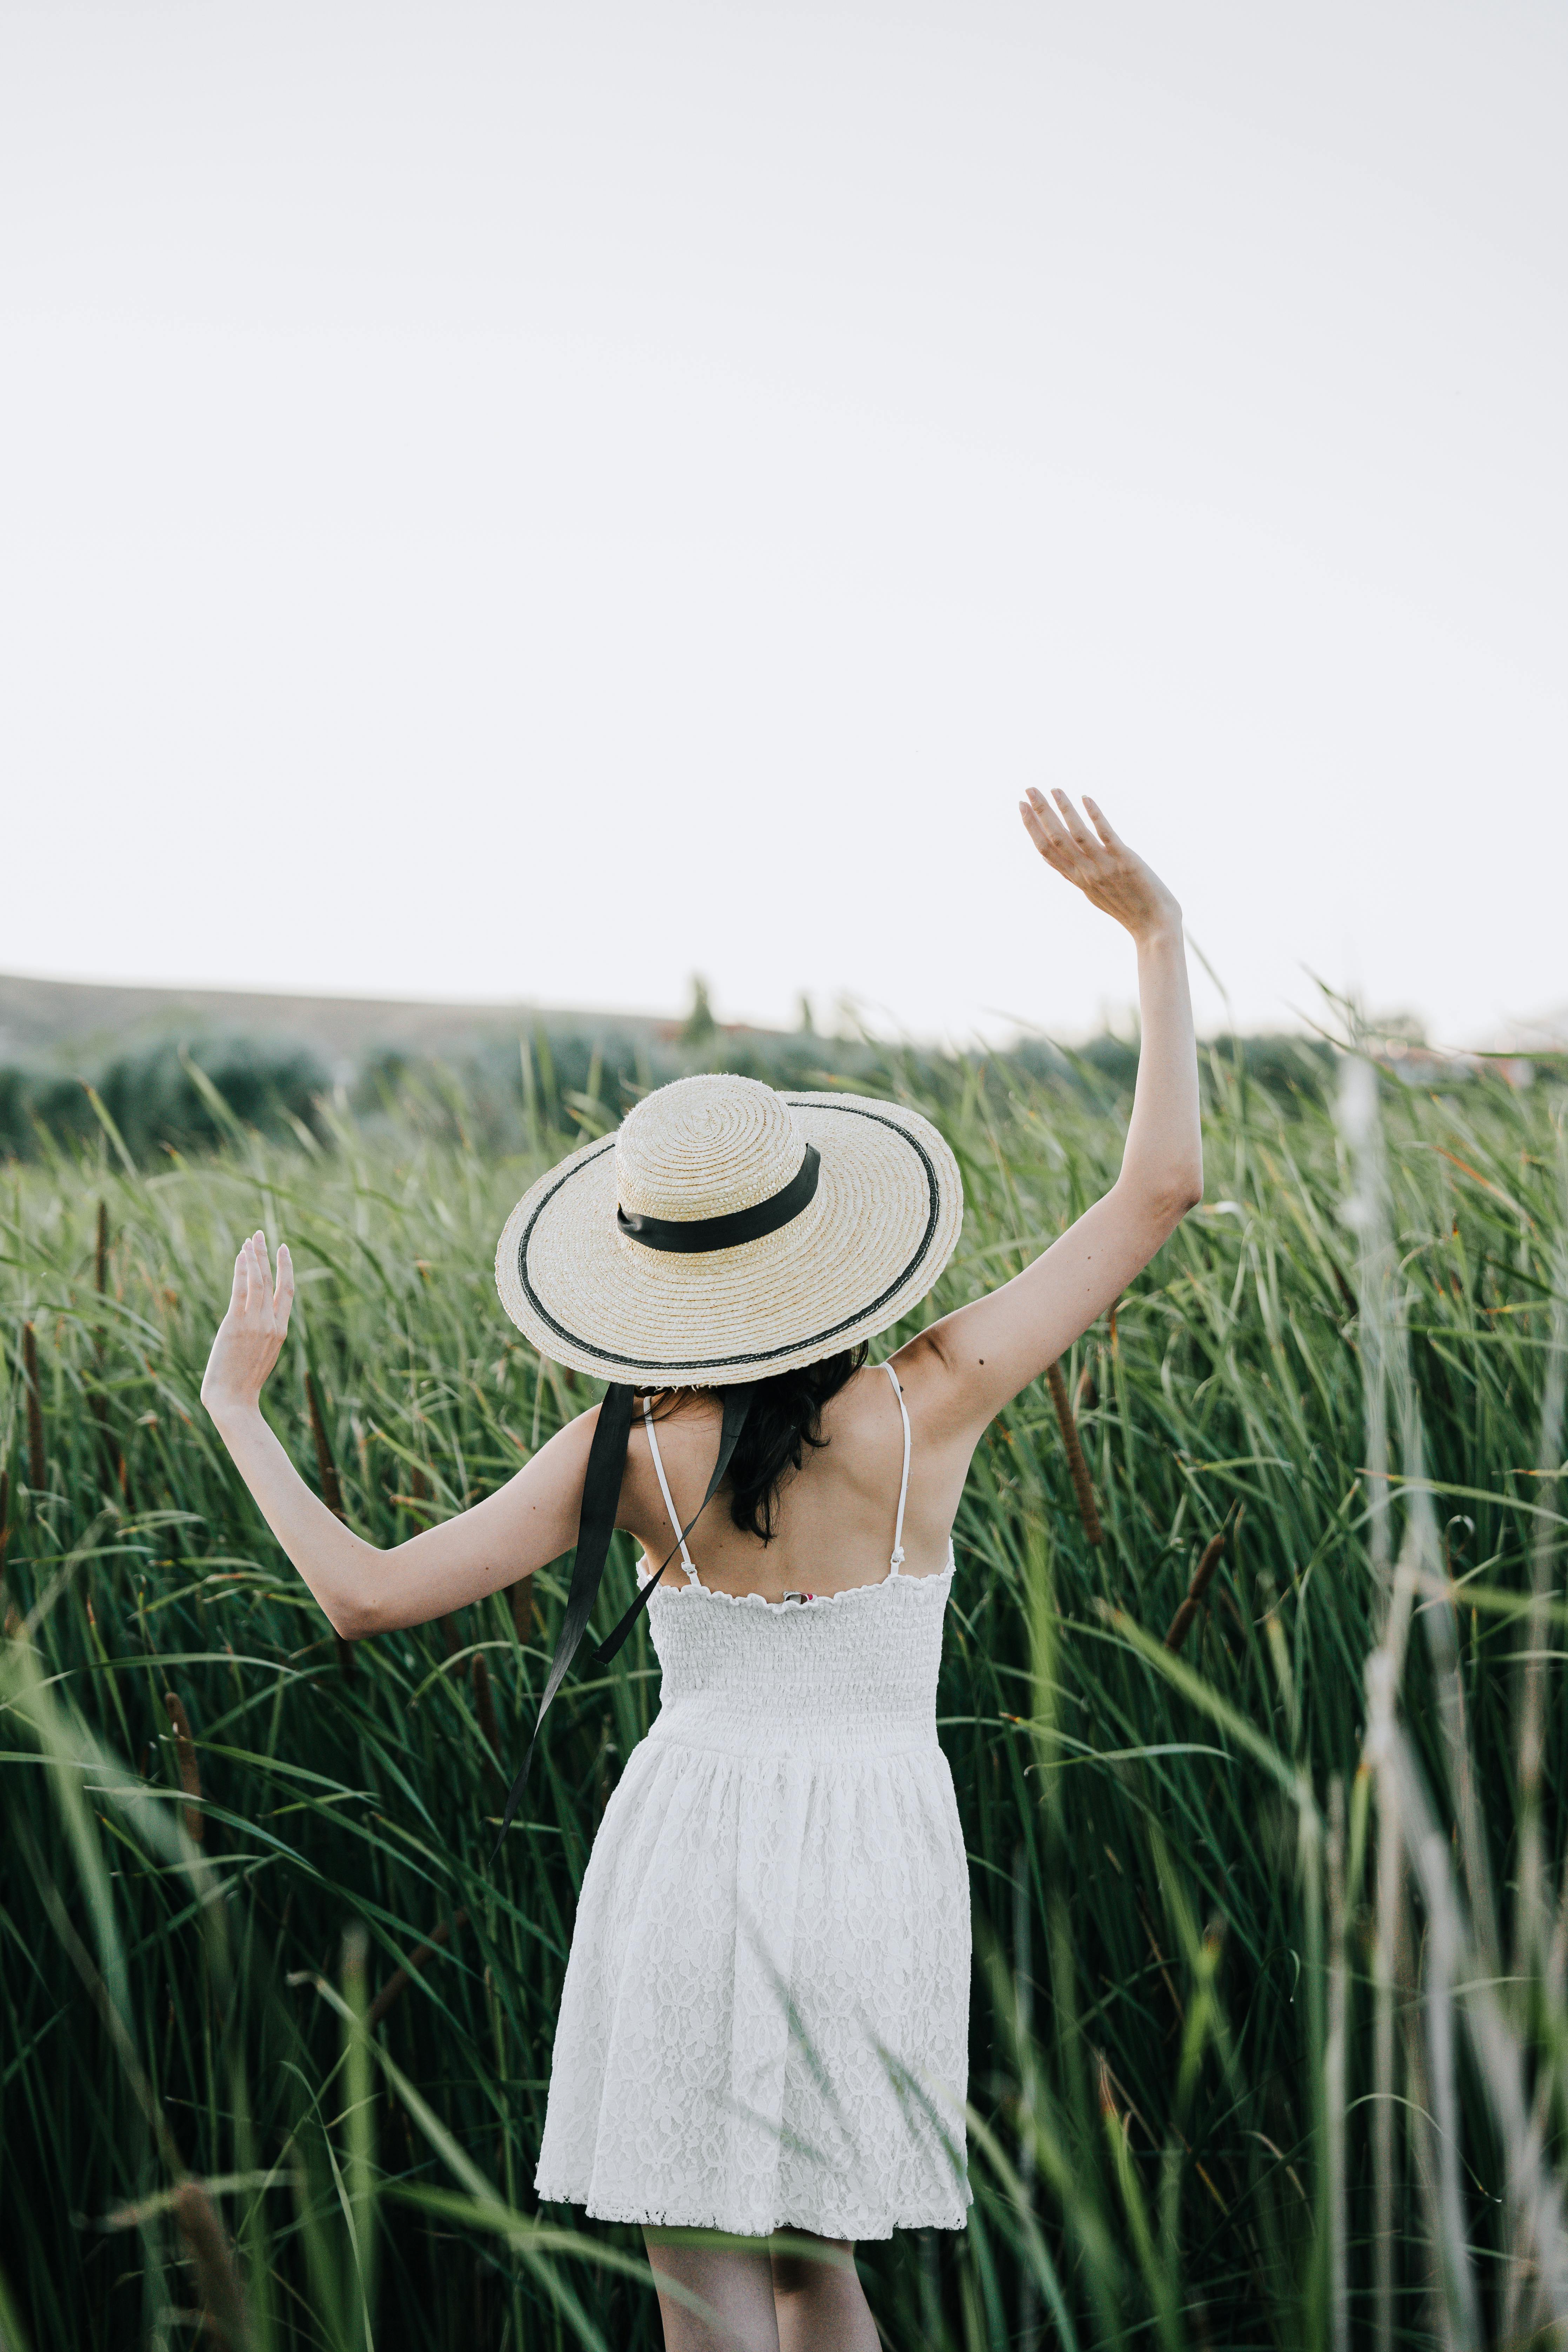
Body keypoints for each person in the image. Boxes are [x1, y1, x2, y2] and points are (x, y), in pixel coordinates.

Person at [201, 789, 1201, 2351]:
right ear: (827, 1240)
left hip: (695, 1848)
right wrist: (1153, 933)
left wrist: (238, 1412)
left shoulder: (626, 1451)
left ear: (649, 1276)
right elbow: (1156, 1189)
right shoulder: (930, 1397)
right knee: (827, 2271)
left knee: (711, 2282)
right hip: (877, 1849)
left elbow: (364, 1593)